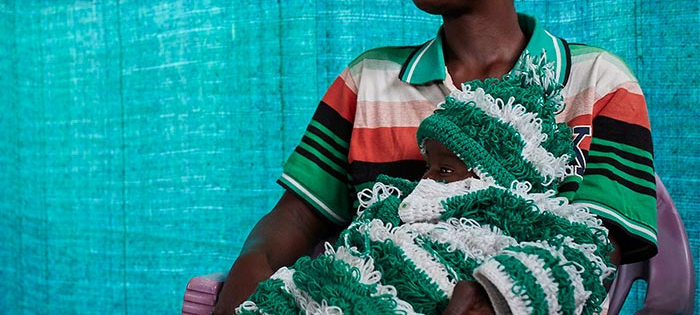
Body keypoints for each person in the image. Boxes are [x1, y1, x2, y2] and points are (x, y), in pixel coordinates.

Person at [213, 0, 657, 314]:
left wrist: (498, 296)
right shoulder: (368, 80)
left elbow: (599, 242)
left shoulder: (597, 80)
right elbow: (295, 217)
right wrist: (250, 278)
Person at [234, 62, 615, 315]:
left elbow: (583, 255)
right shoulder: (367, 78)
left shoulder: (509, 209)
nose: (428, 179)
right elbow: (319, 229)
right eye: (429, 166)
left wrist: (496, 293)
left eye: (445, 169)